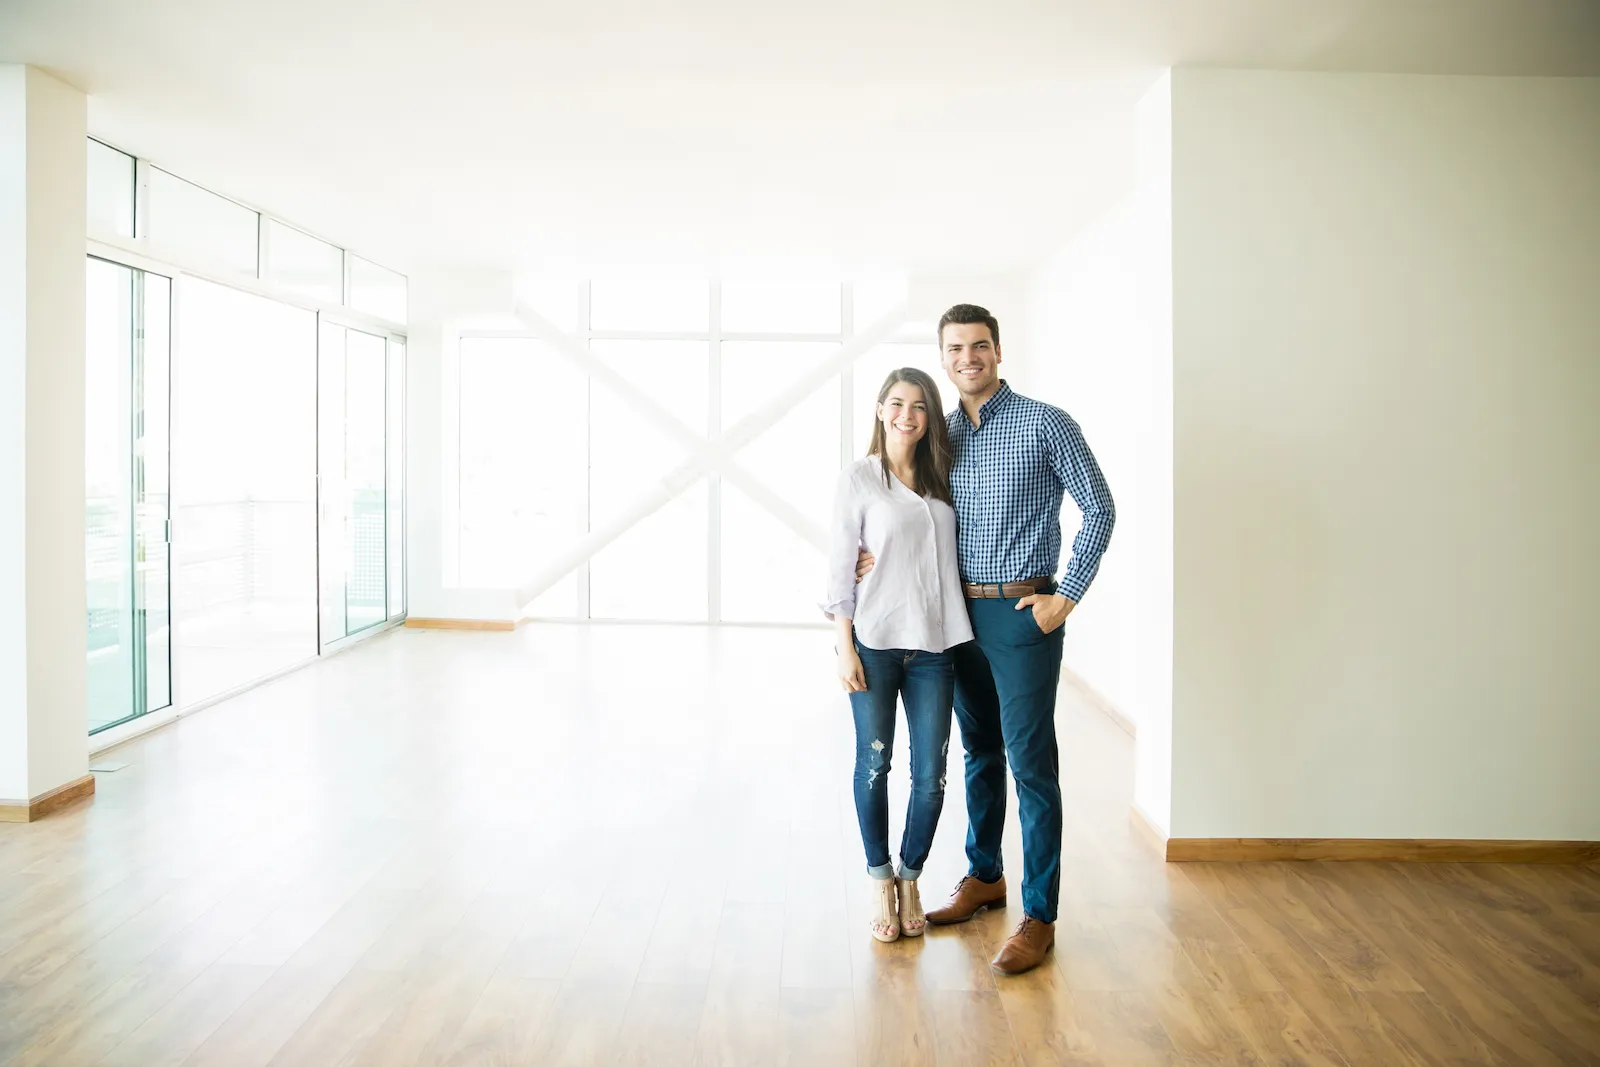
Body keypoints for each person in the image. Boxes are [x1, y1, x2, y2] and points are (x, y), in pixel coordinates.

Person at [856, 304, 1115, 974]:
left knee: (1031, 763)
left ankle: (1039, 914)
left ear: (998, 350)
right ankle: (984, 876)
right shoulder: (937, 436)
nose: (967, 357)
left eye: (978, 346)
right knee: (979, 754)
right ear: (943, 358)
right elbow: (901, 513)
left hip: (1022, 613)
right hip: (952, 619)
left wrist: (1066, 597)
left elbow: (1100, 506)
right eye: (954, 348)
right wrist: (866, 558)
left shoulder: (1045, 422)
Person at [823, 367, 973, 943]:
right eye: (897, 404)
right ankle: (878, 878)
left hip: (935, 645)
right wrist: (844, 648)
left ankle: (911, 877)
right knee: (875, 763)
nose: (907, 415)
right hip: (875, 643)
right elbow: (841, 565)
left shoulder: (943, 479)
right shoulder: (859, 479)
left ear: (930, 416)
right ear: (881, 410)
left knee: (932, 773)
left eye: (919, 406)